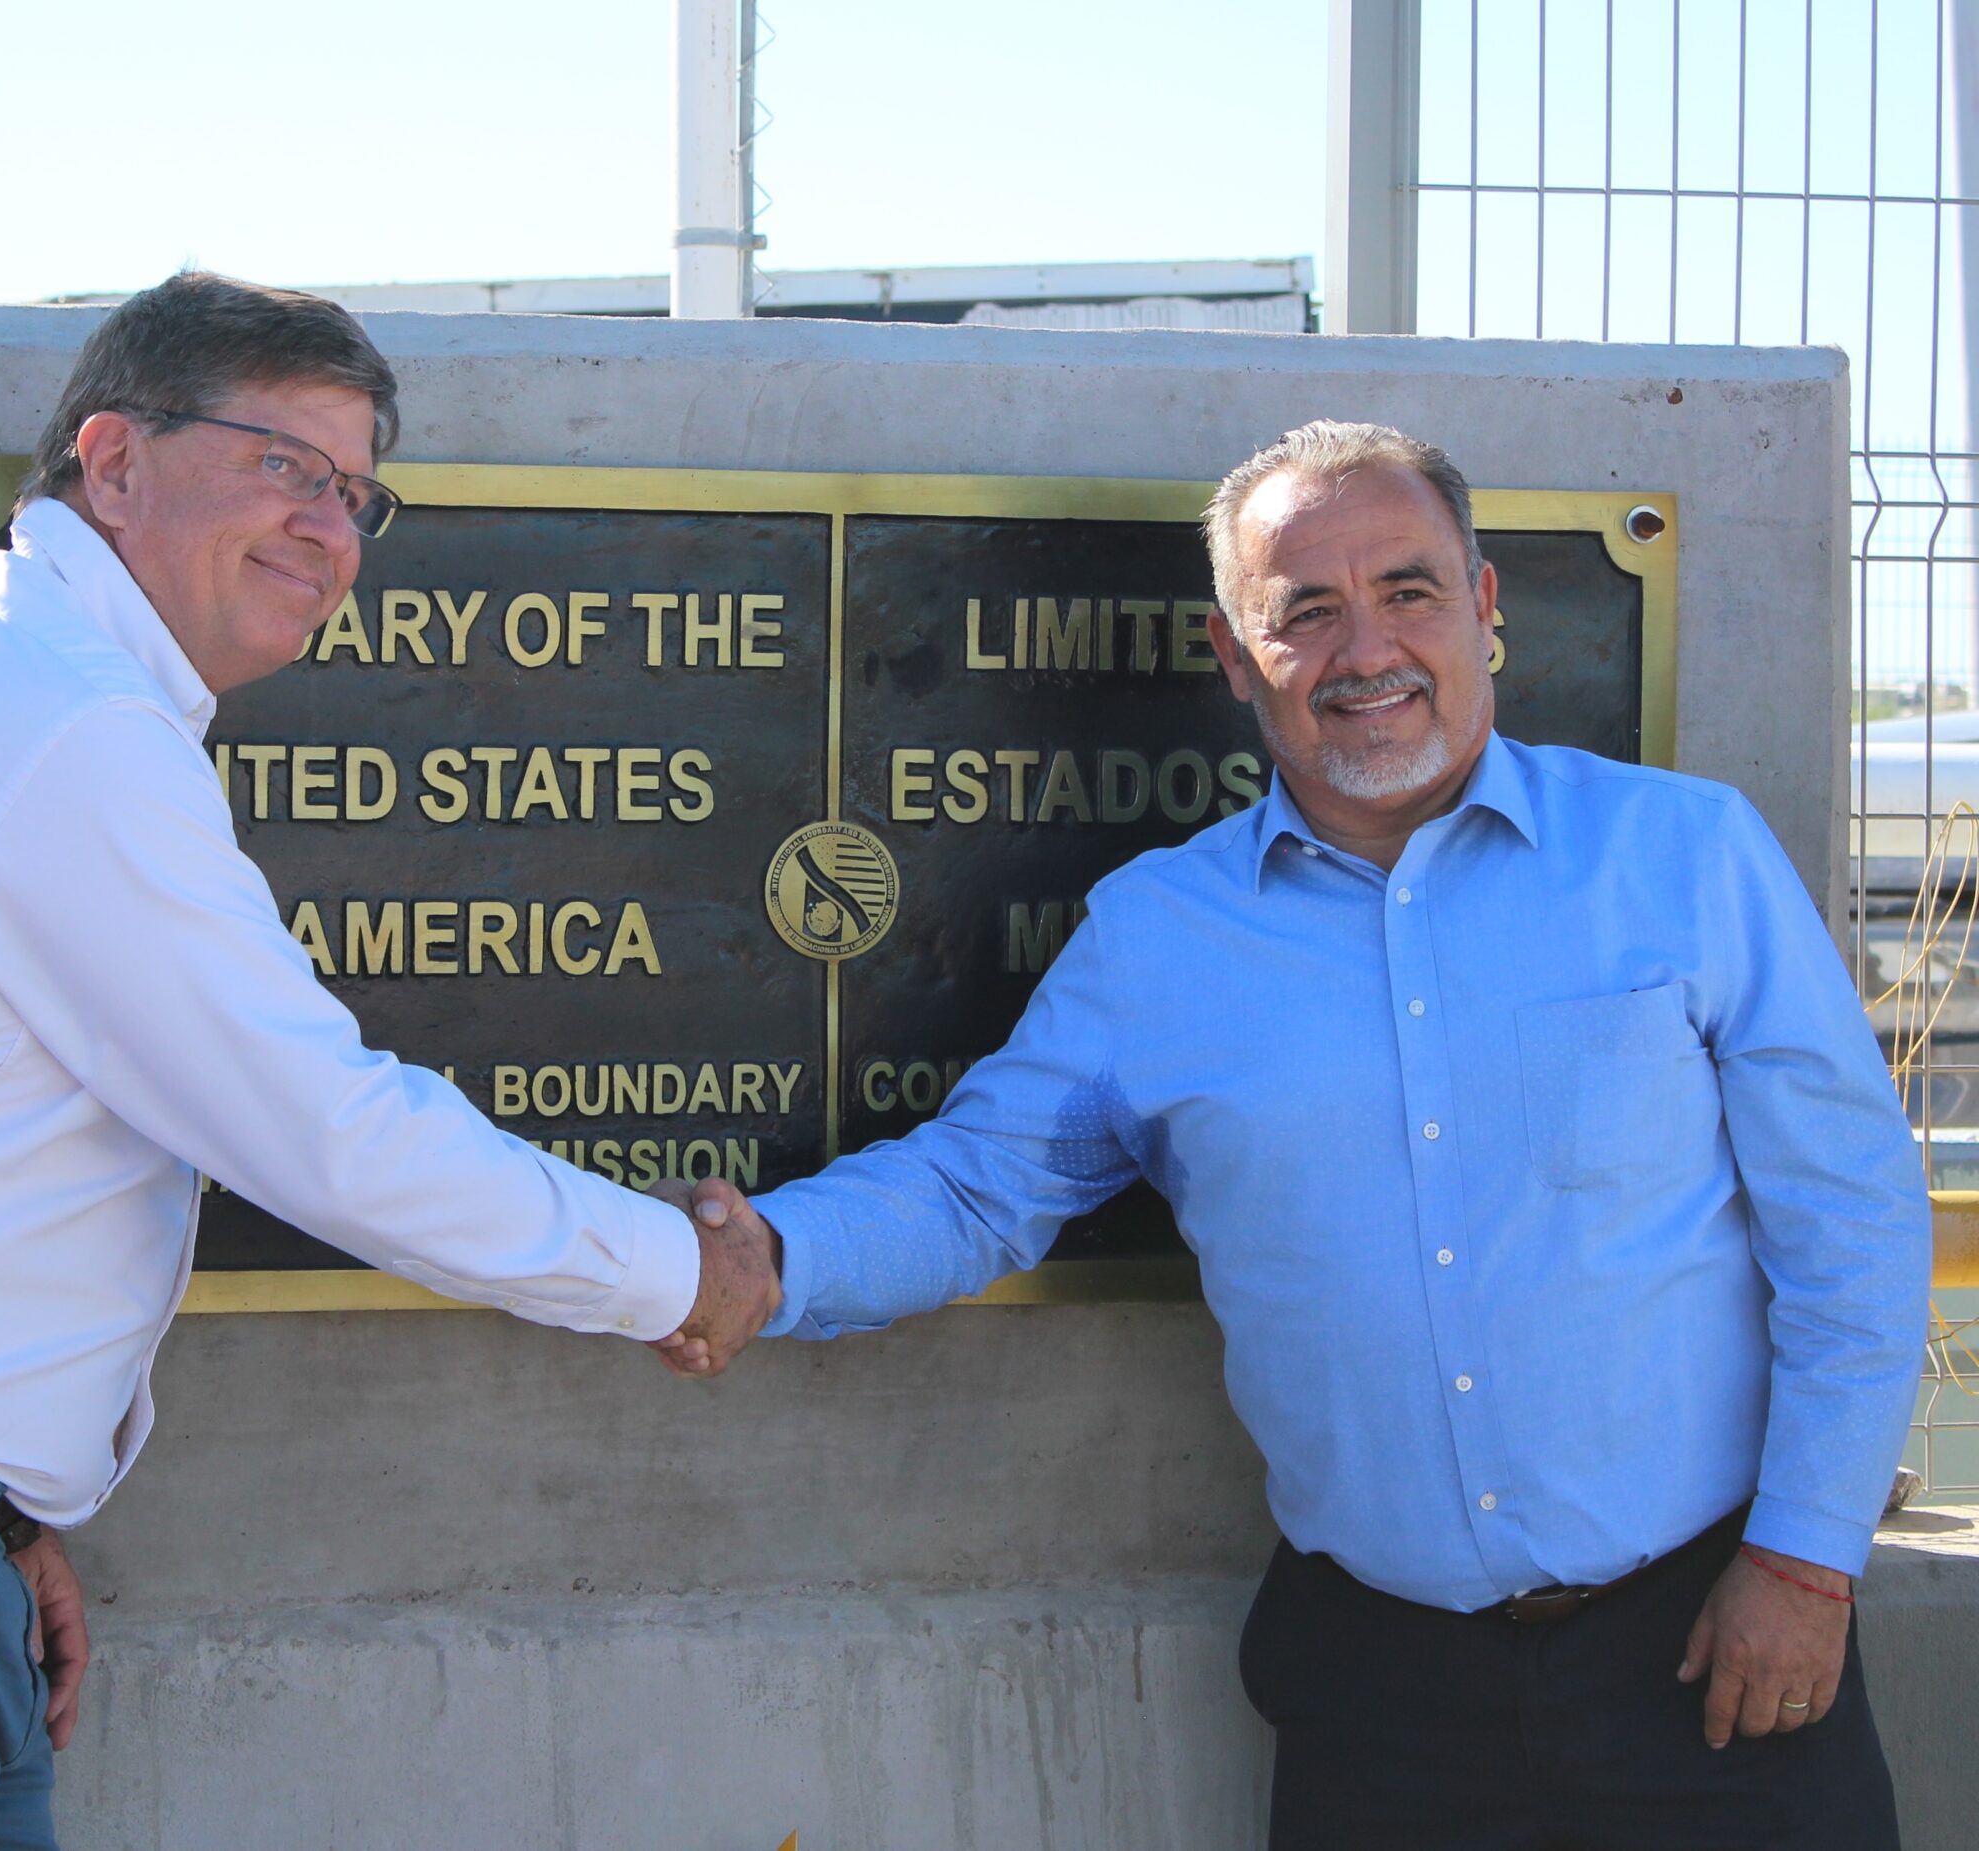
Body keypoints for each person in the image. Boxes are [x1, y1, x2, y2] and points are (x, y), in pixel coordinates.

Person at [0, 271, 781, 1850]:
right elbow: (314, 1125)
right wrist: (670, 1271)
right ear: (112, 463)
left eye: (360, 496)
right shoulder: (50, 716)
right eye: (284, 466)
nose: (332, 529)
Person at [664, 420, 1930, 1849]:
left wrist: (1808, 1562)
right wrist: (778, 1254)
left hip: (1715, 1651)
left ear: (1486, 609)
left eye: (1408, 590)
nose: (1366, 648)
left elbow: (1856, 1222)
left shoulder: (1686, 858)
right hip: (1384, 1708)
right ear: (1234, 653)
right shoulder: (1158, 937)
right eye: (1306, 612)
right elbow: (978, 1188)